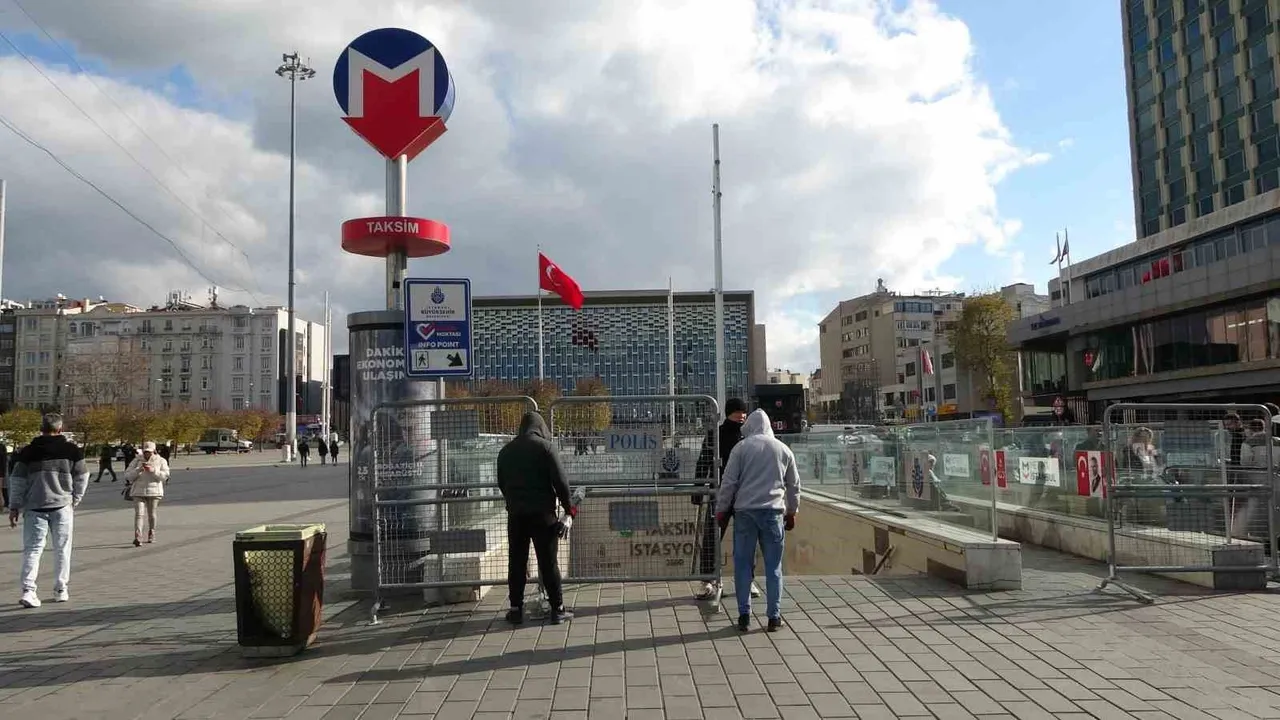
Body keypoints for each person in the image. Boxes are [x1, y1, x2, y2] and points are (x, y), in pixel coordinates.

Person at [716, 409, 800, 633]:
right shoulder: (783, 449)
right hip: (773, 513)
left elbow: (729, 482)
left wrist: (721, 509)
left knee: (743, 565)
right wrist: (792, 511)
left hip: (744, 513)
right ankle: (774, 616)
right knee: (774, 567)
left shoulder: (741, 448)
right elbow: (793, 485)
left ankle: (744, 615)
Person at [497, 412, 575, 625]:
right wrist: (569, 511)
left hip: (516, 515)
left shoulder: (506, 451)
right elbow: (561, 483)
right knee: (548, 563)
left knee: (517, 563)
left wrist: (513, 502)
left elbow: (501, 483)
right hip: (543, 515)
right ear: (541, 427)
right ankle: (557, 609)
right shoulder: (546, 448)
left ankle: (515, 609)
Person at [7, 413, 89, 608]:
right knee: (62, 549)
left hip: (34, 506)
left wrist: (14, 506)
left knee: (33, 549)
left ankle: (28, 590)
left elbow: (17, 480)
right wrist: (75, 498)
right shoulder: (72, 450)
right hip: (61, 506)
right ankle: (61, 589)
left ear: (41, 428)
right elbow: (82, 476)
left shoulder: (27, 451)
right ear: (60, 429)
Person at [692, 398, 760, 601]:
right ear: (729, 413)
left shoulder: (750, 435)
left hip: (745, 494)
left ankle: (747, 580)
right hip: (719, 493)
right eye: (738, 412)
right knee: (712, 536)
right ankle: (707, 581)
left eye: (744, 413)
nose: (742, 416)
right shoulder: (716, 434)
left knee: (747, 539)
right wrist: (698, 489)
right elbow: (704, 459)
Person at [123, 441, 170, 547]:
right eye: (145, 452)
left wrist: (153, 471)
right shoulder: (136, 460)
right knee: (139, 514)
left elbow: (165, 476)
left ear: (154, 451)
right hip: (138, 491)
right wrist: (138, 470)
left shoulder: (161, 460)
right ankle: (138, 536)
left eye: (149, 452)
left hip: (154, 491)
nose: (147, 454)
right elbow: (127, 475)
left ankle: (151, 532)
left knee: (151, 514)